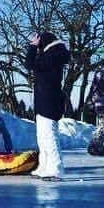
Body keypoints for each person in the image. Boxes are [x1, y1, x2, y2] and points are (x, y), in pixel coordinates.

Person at [23, 30, 70, 178]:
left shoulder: (53, 55)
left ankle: (56, 167)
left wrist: (32, 47)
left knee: (49, 137)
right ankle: (44, 166)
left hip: (49, 102)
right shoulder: (52, 54)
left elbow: (29, 64)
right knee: (43, 137)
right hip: (45, 101)